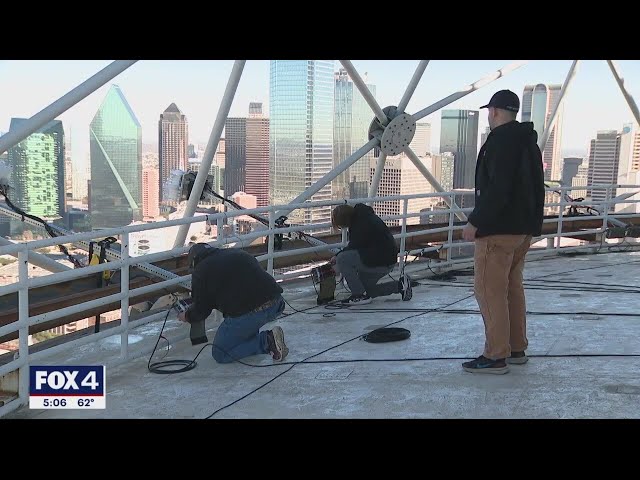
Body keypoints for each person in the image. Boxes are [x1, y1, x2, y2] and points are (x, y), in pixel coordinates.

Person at [461, 89, 545, 374]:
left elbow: (498, 189)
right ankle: (516, 347)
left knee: (488, 290)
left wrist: (476, 221)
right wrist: (534, 226)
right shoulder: (527, 142)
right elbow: (535, 187)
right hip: (522, 230)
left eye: (489, 111)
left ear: (494, 111)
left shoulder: (500, 142)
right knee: (511, 287)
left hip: (498, 230)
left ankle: (496, 355)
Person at [178, 243, 288, 363]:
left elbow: (201, 310)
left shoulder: (201, 271)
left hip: (252, 312)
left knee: (220, 353)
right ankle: (254, 338)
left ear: (194, 261)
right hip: (276, 303)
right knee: (242, 320)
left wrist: (187, 316)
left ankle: (267, 341)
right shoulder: (236, 253)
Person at [330, 203, 412, 305]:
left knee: (342, 259)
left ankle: (358, 295)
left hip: (379, 260)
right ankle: (400, 286)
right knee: (366, 290)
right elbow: (357, 244)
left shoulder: (361, 224)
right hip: (386, 259)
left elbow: (355, 245)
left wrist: (337, 256)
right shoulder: (364, 217)